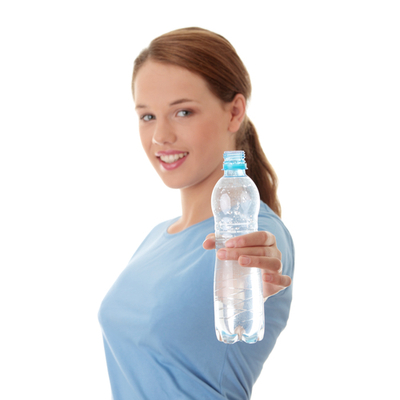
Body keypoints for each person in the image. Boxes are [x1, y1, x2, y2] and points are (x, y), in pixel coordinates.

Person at [98, 27, 294, 400]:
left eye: (183, 111)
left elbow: (265, 256)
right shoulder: (157, 237)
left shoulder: (255, 231)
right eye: (147, 116)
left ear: (234, 112)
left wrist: (262, 272)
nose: (160, 137)